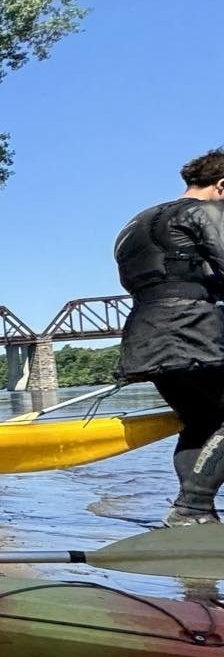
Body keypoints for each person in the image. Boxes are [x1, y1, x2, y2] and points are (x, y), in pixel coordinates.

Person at [114, 150, 224, 525]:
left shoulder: (134, 224)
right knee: (205, 419)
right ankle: (191, 508)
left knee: (202, 420)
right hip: (191, 329)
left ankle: (198, 515)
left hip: (145, 333)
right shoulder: (206, 213)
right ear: (222, 185)